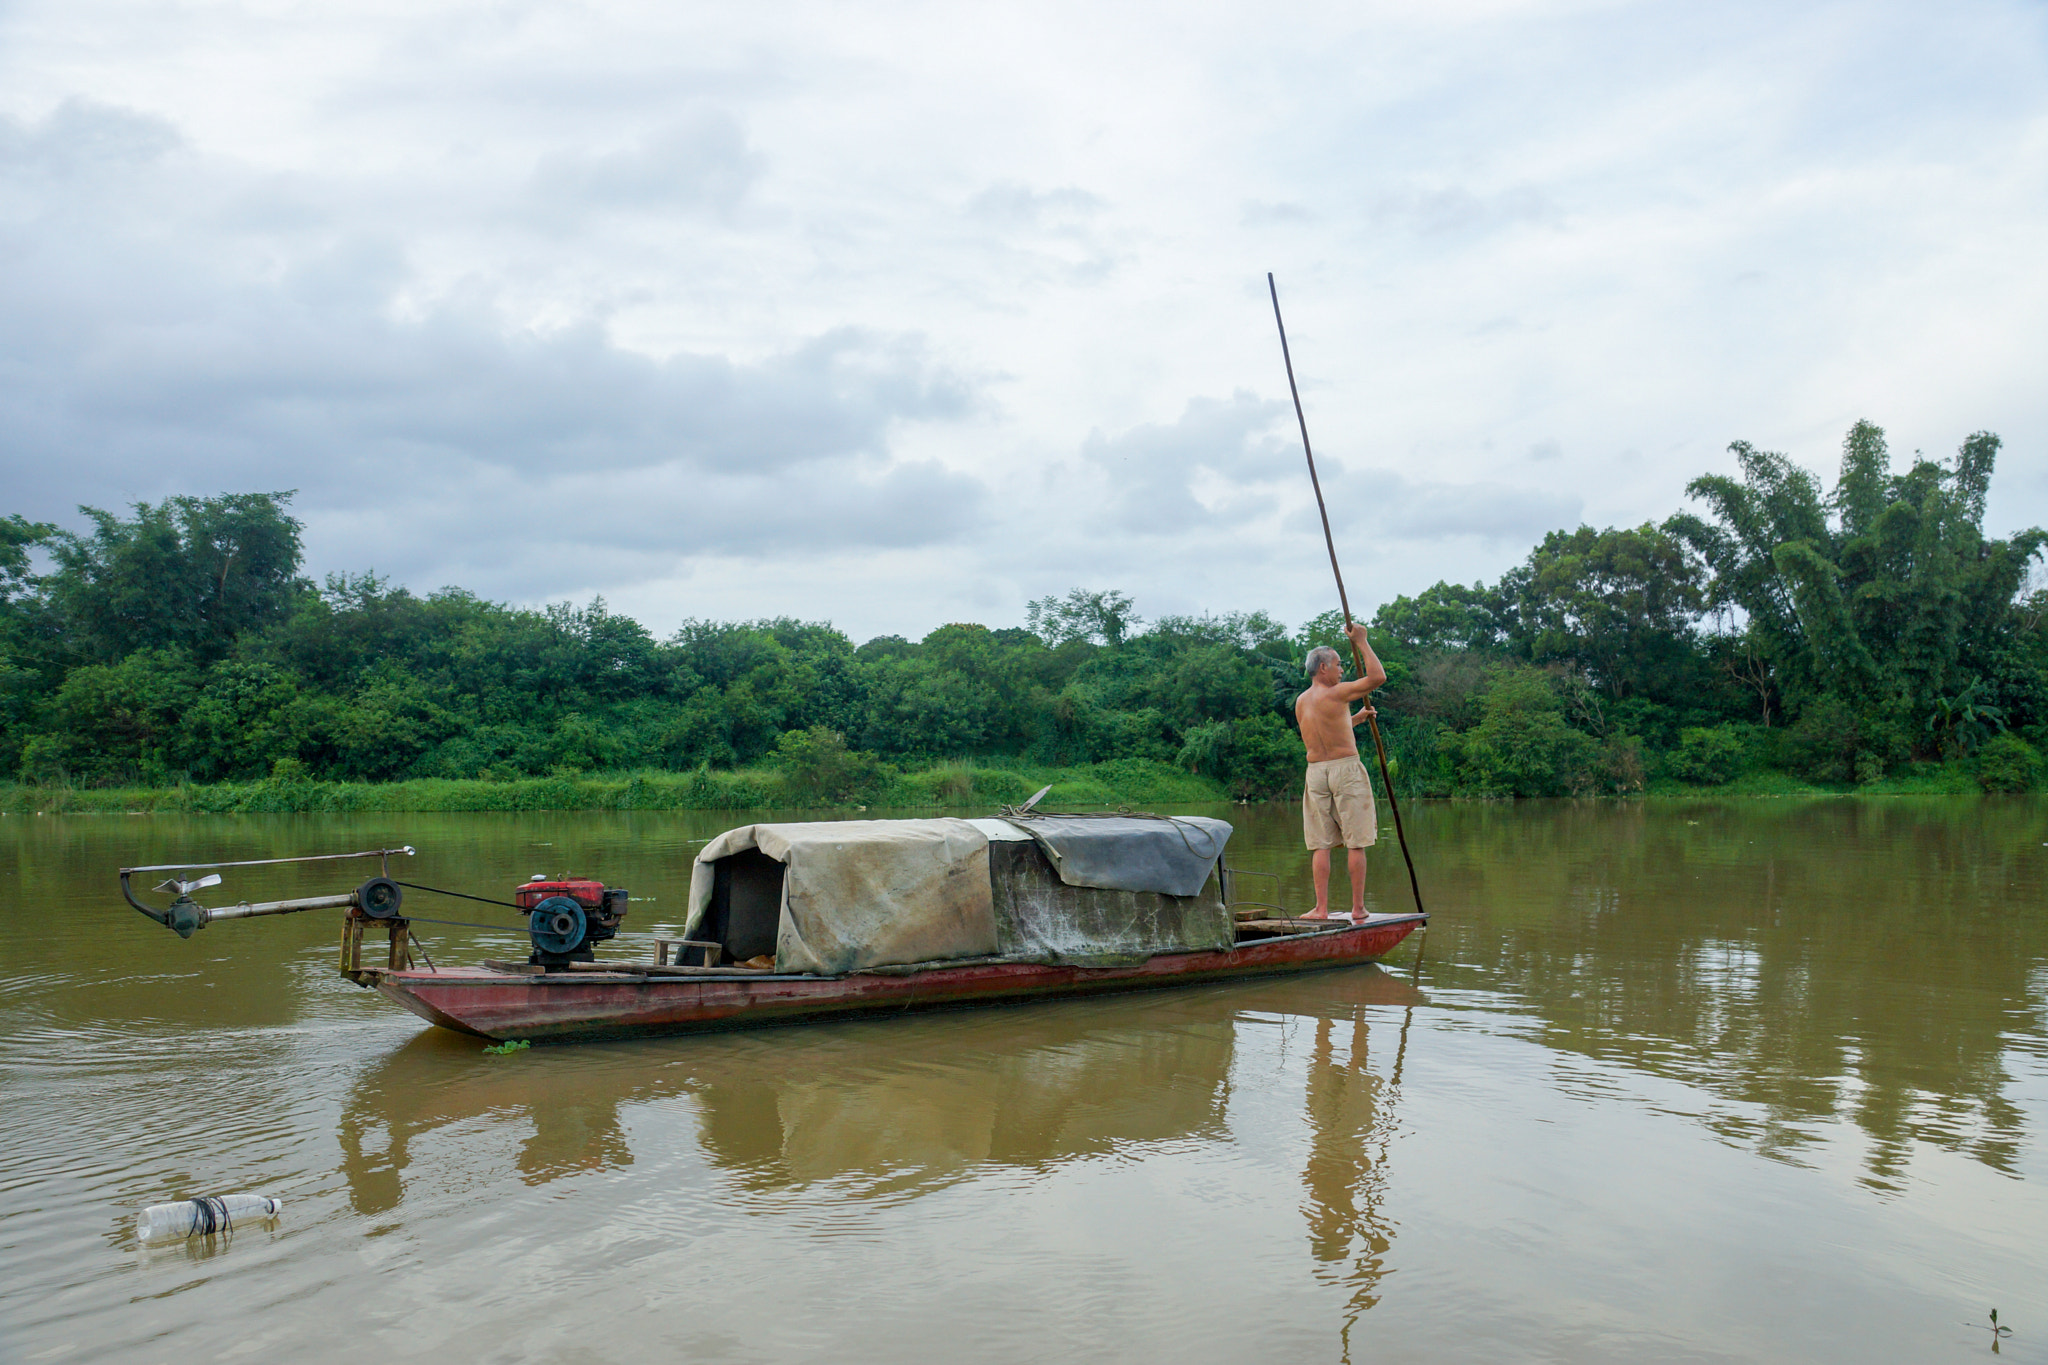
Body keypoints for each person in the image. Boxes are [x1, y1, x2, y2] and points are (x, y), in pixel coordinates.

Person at [1295, 621, 1386, 921]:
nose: (1342, 669)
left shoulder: (1302, 701)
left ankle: (1321, 908)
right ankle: (1358, 908)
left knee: (1321, 844)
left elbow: (1326, 730)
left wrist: (1357, 719)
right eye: (1337, 664)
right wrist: (1361, 641)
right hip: (1345, 770)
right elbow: (1377, 677)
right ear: (1322, 668)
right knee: (1356, 840)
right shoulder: (1337, 693)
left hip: (1316, 772)